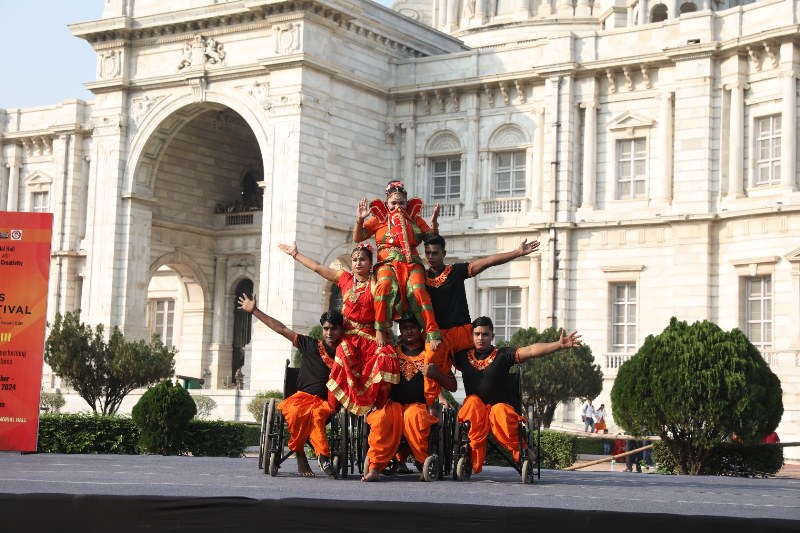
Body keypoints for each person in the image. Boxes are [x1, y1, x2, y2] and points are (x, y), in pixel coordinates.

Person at [279, 242, 399, 415]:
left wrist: (380, 330)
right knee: (341, 357)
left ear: (370, 262)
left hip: (372, 335)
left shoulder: (378, 282)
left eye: (362, 259)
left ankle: (378, 408)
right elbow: (318, 267)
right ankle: (333, 409)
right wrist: (296, 254)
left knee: (385, 358)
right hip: (349, 336)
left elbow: (385, 307)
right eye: (355, 260)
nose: (358, 263)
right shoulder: (345, 279)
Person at [453, 316, 581, 475]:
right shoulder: (462, 356)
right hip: (475, 412)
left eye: (485, 334)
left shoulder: (503, 354)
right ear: (471, 336)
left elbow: (531, 350)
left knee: (499, 411)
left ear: (492, 336)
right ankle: (468, 453)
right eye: (477, 334)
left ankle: (523, 451)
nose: (481, 338)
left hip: (499, 411)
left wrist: (558, 345)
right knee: (472, 402)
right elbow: (440, 354)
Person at [422, 234, 540, 404]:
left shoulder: (455, 271)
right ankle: (437, 400)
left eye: (435, 253)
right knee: (429, 362)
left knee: (480, 364)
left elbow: (487, 262)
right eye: (427, 253)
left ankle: (495, 402)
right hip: (438, 335)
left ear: (444, 253)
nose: (430, 257)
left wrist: (517, 252)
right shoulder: (421, 278)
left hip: (462, 332)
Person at [237, 294, 343, 478]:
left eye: (333, 328)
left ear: (341, 329)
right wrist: (255, 311)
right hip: (301, 398)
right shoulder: (309, 344)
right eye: (326, 328)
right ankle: (303, 455)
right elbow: (281, 329)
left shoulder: (346, 353)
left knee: (317, 415)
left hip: (325, 403)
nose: (329, 333)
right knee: (294, 412)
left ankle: (323, 457)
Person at [361, 318, 457, 482]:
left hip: (419, 406)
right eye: (405, 328)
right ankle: (375, 467)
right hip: (393, 405)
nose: (409, 331)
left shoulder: (431, 353)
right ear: (400, 330)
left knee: (413, 417)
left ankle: (424, 462)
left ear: (420, 329)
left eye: (413, 327)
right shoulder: (390, 351)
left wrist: (436, 375)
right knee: (381, 418)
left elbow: (453, 385)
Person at [353, 180, 442, 351]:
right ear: (386, 203)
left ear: (407, 203)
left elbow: (433, 240)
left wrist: (434, 224)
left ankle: (431, 331)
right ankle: (381, 328)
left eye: (401, 203)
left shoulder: (414, 219)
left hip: (411, 262)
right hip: (387, 263)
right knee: (385, 285)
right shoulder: (379, 218)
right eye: (393, 203)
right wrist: (359, 220)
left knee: (418, 290)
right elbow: (358, 237)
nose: (398, 207)